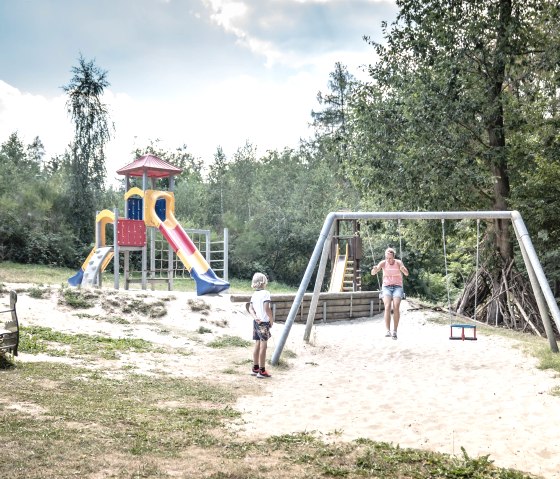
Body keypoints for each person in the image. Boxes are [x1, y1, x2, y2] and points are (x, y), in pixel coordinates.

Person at [371, 247, 409, 340]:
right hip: (386, 287)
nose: (389, 260)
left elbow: (407, 274)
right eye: (387, 258)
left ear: (394, 257)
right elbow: (373, 273)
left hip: (397, 287)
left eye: (390, 258)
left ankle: (395, 331)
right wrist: (375, 269)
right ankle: (387, 330)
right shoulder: (383, 263)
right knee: (387, 306)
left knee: (396, 306)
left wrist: (403, 270)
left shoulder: (399, 262)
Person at [248, 272, 274, 378]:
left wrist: (255, 317)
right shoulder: (266, 293)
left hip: (256, 322)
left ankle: (255, 368)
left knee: (257, 344)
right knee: (264, 346)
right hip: (264, 323)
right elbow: (266, 308)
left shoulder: (254, 294)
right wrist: (271, 319)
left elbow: (250, 308)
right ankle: (262, 371)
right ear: (264, 282)